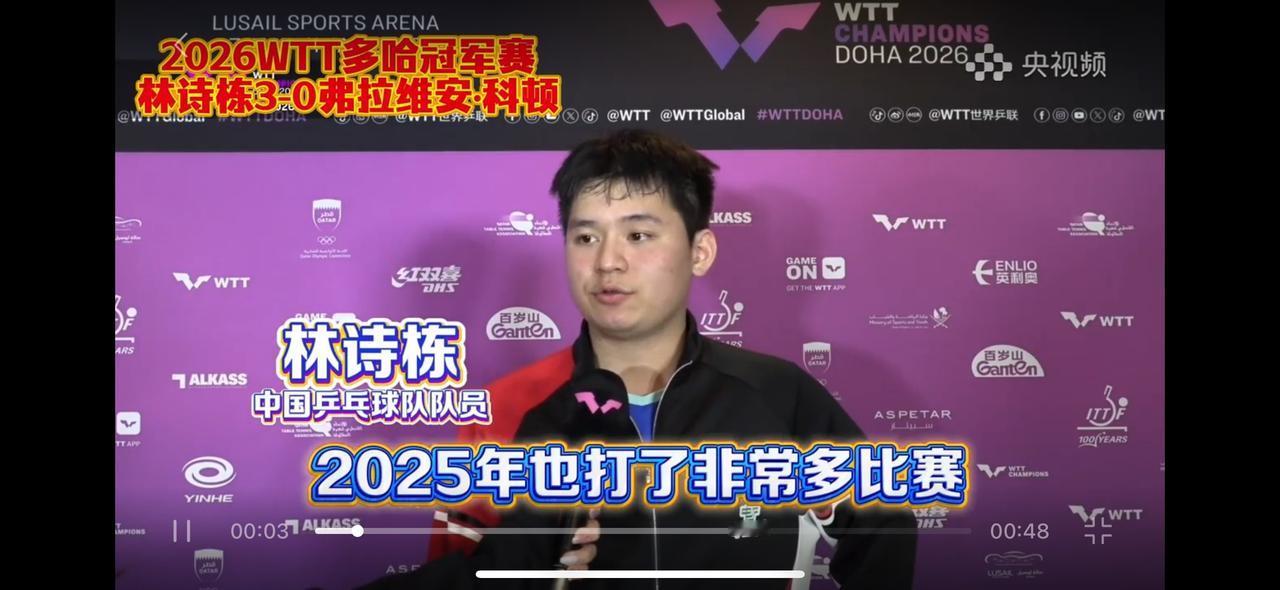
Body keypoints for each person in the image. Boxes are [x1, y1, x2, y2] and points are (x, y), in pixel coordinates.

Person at [362, 129, 917, 589]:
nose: (608, 262)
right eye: (585, 238)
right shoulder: (506, 409)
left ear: (699, 251)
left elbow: (883, 527)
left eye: (639, 234)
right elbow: (464, 574)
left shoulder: (777, 394)